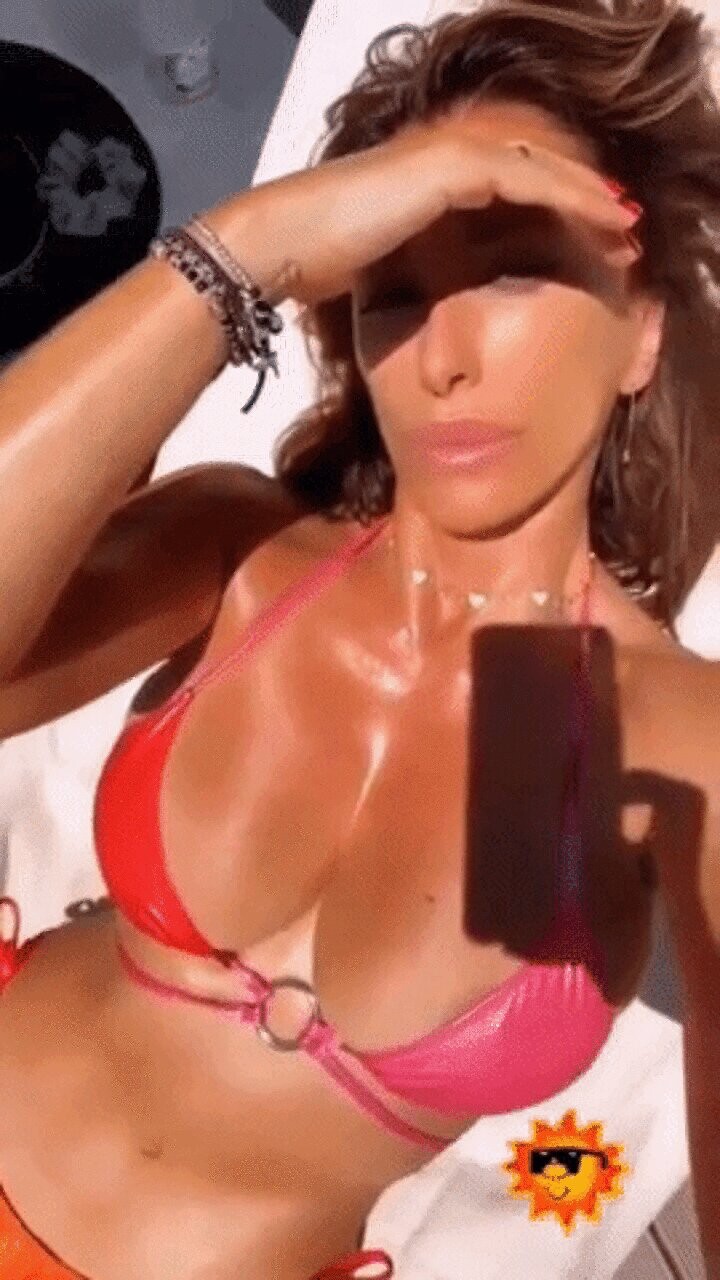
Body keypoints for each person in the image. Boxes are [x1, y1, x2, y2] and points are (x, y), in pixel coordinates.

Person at [0, 2, 718, 1278]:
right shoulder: (239, 551)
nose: (441, 358)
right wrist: (250, 243)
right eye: (392, 291)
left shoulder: (676, 735)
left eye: (511, 269)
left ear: (645, 330)